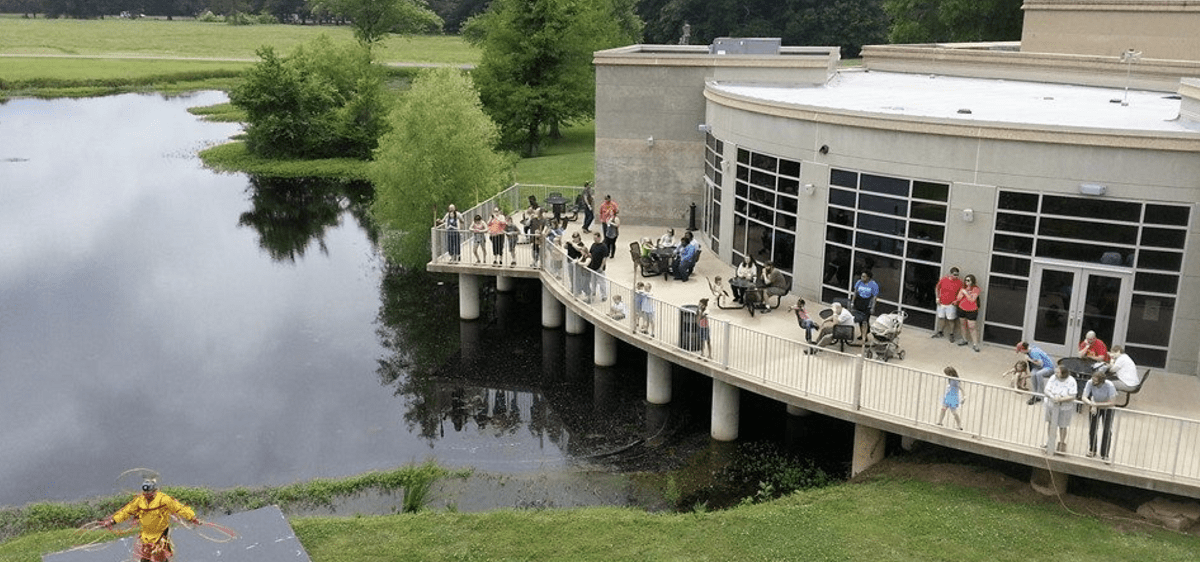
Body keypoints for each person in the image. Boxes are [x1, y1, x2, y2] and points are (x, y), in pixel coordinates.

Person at [102, 478, 200, 562]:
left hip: (160, 534)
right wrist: (112, 521)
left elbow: (179, 508)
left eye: (149, 493)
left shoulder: (164, 499)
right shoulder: (139, 500)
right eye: (145, 493)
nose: (147, 495)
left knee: (159, 556)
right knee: (145, 558)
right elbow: (126, 512)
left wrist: (192, 517)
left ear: (154, 491)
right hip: (146, 534)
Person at [1082, 370, 1117, 459]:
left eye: (1096, 382)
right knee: (1093, 428)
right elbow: (1084, 397)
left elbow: (1112, 402)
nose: (1093, 383)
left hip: (1107, 408)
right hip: (1095, 406)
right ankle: (1092, 450)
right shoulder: (1090, 382)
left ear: (1102, 381)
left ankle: (1105, 454)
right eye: (1093, 380)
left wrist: (1096, 405)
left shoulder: (1109, 385)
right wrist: (1091, 404)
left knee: (1107, 430)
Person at [1043, 364, 1078, 455]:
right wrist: (1052, 397)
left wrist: (1061, 399)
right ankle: (1050, 441)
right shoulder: (1053, 377)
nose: (1055, 372)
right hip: (1051, 404)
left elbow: (1072, 395)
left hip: (1064, 407)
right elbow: (1046, 390)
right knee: (1051, 423)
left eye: (1058, 372)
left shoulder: (1071, 381)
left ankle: (1062, 443)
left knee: (1063, 425)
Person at [931, 267, 963, 342]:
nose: (956, 276)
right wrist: (937, 298)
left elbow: (961, 292)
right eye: (954, 274)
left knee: (951, 319)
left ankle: (951, 334)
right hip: (942, 303)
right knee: (941, 318)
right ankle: (940, 332)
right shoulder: (943, 280)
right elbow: (937, 288)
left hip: (951, 304)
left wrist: (957, 300)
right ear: (950, 274)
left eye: (957, 275)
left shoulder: (960, 282)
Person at [955, 273, 982, 352]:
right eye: (966, 280)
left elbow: (972, 300)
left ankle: (975, 344)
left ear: (972, 281)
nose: (966, 282)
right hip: (961, 308)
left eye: (968, 280)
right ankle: (964, 339)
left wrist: (965, 292)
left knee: (972, 327)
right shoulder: (963, 288)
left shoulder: (976, 289)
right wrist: (962, 292)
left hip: (971, 310)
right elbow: (958, 298)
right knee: (963, 324)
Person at [850, 270, 879, 339]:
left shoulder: (873, 285)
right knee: (860, 319)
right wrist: (852, 302)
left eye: (864, 276)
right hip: (859, 302)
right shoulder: (859, 282)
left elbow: (874, 297)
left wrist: (872, 307)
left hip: (867, 303)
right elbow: (855, 293)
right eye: (862, 276)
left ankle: (865, 333)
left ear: (868, 277)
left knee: (865, 320)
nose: (862, 278)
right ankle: (863, 335)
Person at [586, 231, 608, 302]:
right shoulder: (593, 245)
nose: (594, 240)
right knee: (593, 281)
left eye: (595, 238)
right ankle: (593, 292)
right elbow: (590, 253)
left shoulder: (603, 246)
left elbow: (604, 257)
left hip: (599, 267)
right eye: (594, 238)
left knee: (602, 282)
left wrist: (602, 266)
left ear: (599, 238)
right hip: (593, 267)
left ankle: (604, 295)